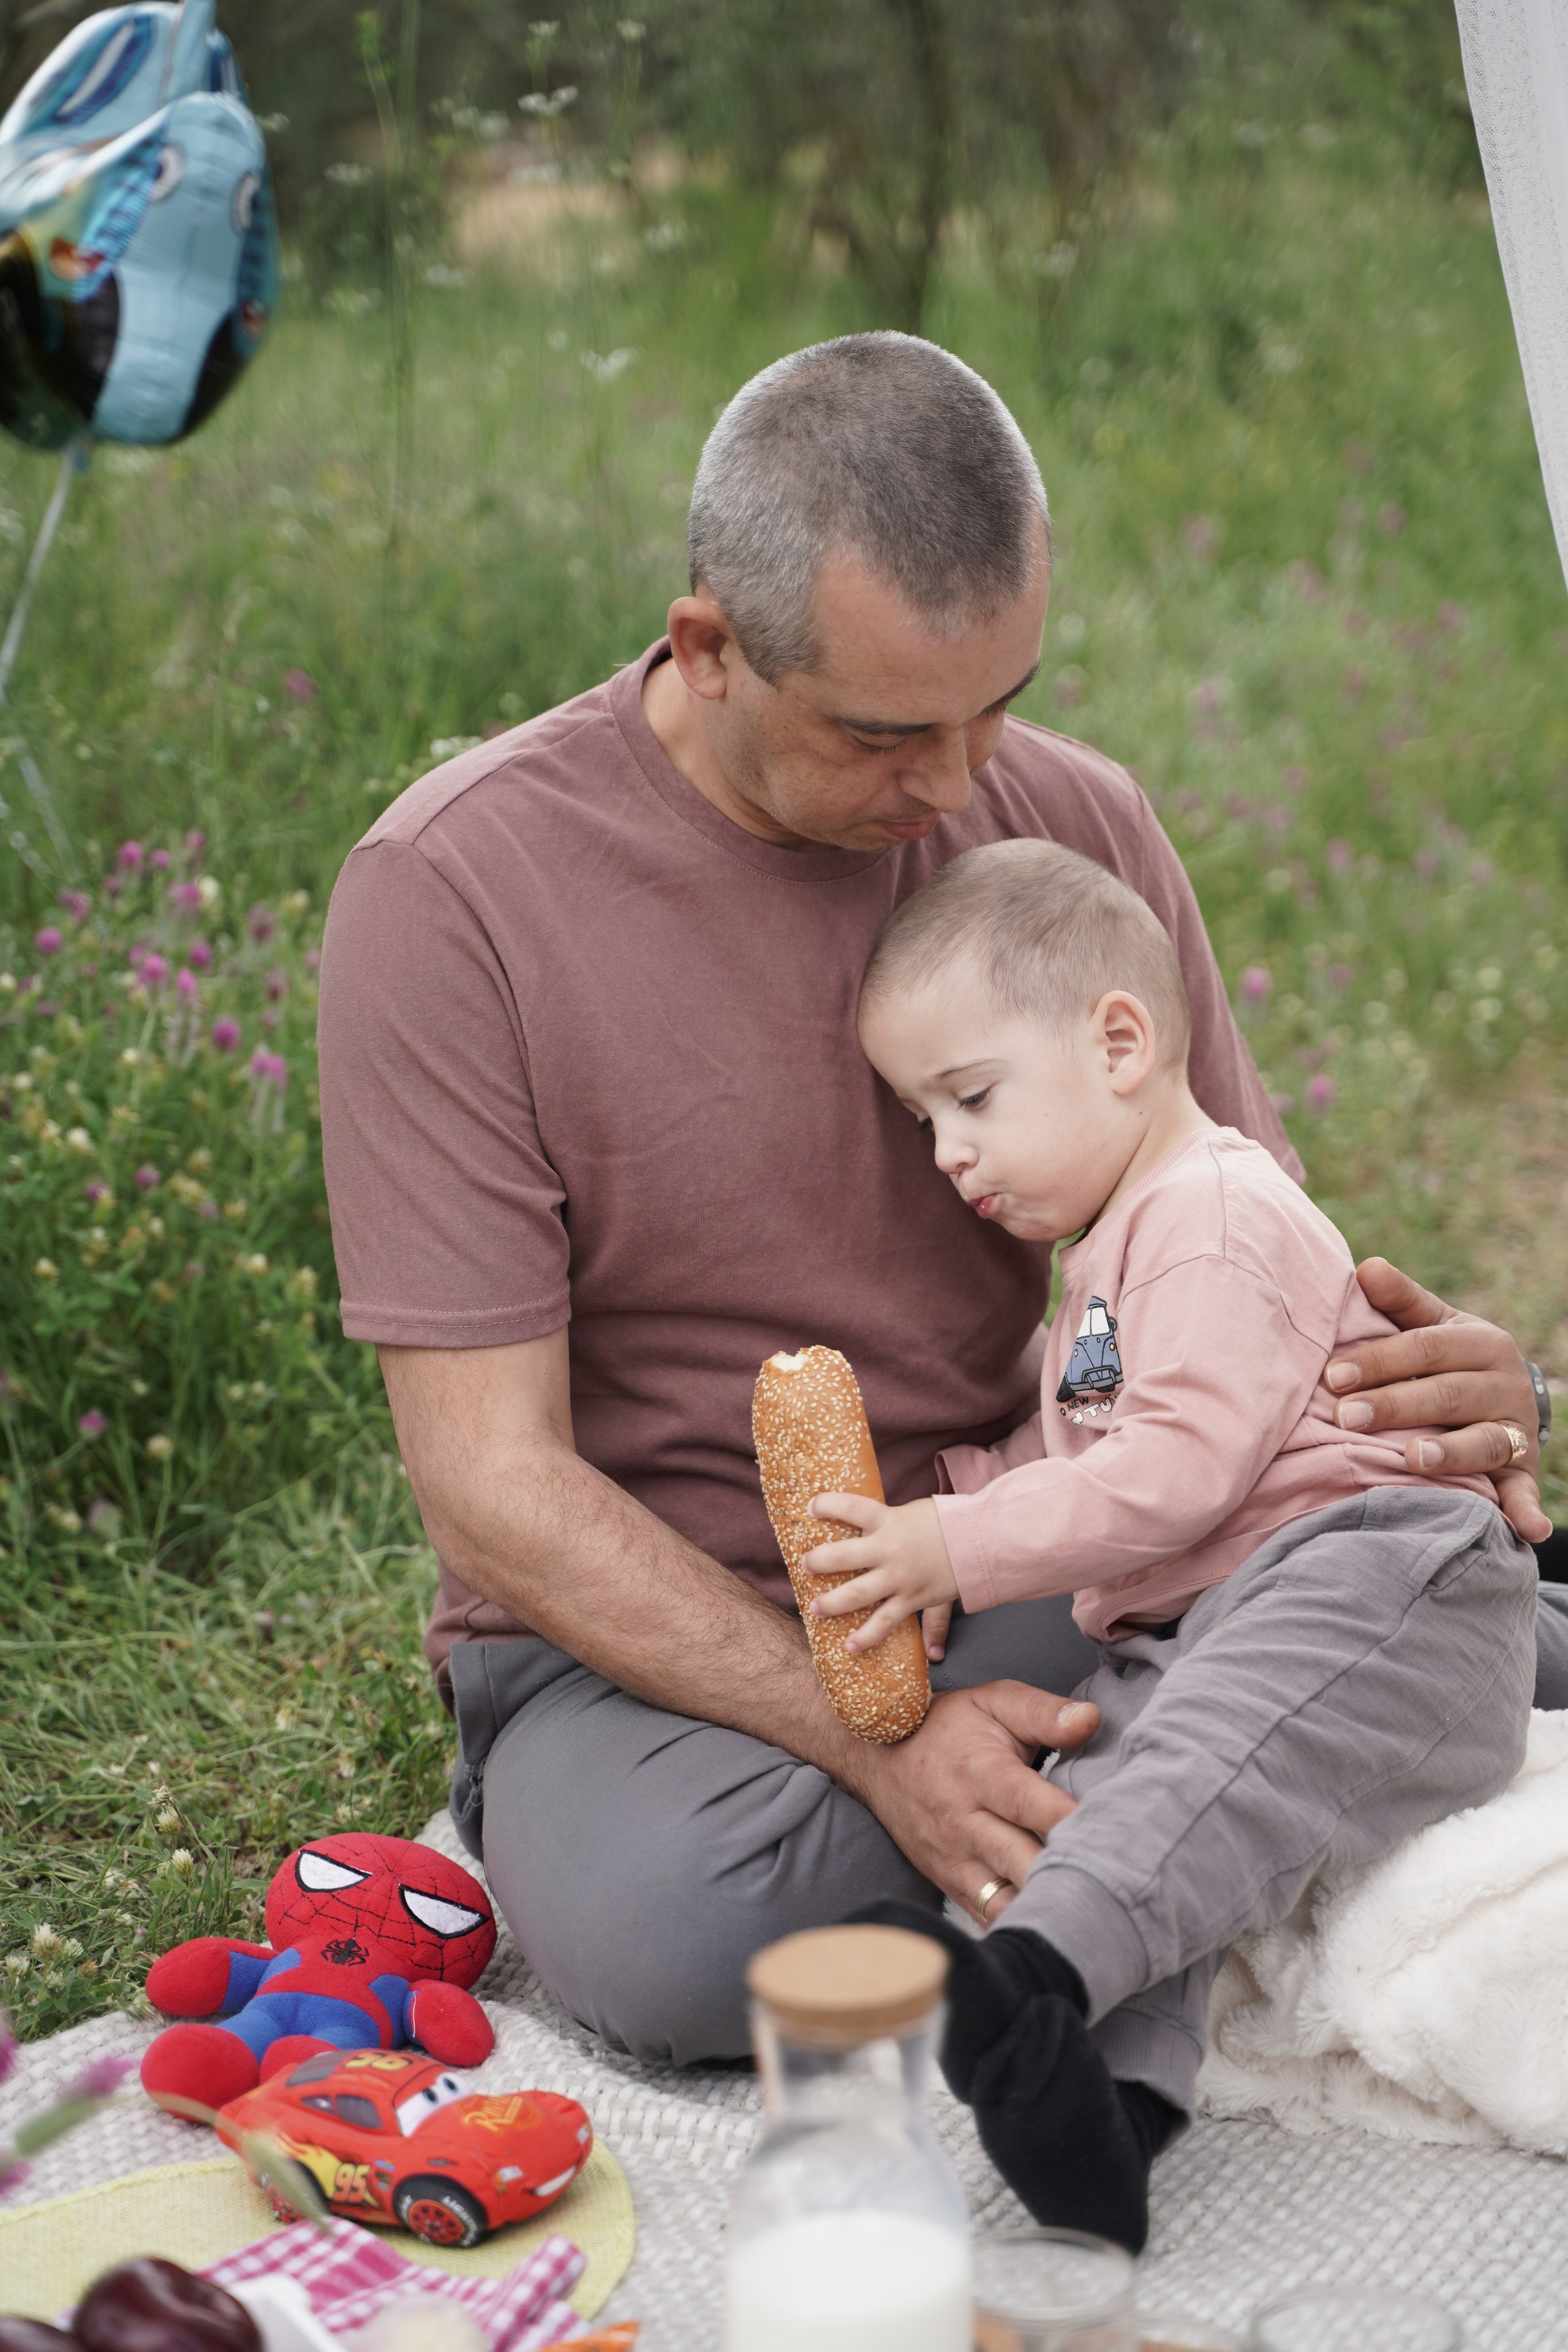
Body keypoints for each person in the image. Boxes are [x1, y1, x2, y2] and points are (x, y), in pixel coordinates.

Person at [317, 330, 1559, 2073]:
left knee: (1382, 1572)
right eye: (894, 731)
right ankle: (1288, 1742)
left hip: (1066, 1536)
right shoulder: (452, 895)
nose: (967, 785)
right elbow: (494, 1490)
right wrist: (867, 1733)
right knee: (688, 1940)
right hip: (653, 1643)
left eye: (1006, 701)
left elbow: (1241, 1247)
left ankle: (1322, 1690)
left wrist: (1468, 1393)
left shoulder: (1073, 829)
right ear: (711, 650)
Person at [801, 838, 1535, 2246]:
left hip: (1379, 1575)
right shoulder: (1108, 1254)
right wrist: (962, 1486)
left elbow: (1176, 1472)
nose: (947, 1152)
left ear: (1119, 1041)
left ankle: (1024, 1983)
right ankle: (1107, 2116)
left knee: (1202, 1770)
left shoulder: (1208, 1212)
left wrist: (953, 1541)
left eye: (970, 1100)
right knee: (1122, 1790)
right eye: (920, 1122)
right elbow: (1084, 1445)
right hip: (1222, 1608)